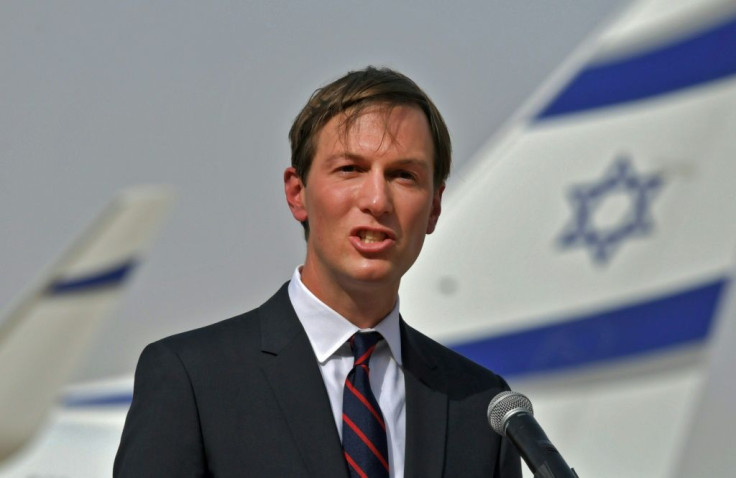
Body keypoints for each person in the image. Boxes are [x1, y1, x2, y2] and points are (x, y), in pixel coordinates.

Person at [114, 66, 521, 477]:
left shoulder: (481, 405)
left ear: (434, 207)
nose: (377, 200)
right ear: (297, 193)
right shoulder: (194, 379)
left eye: (403, 175)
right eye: (350, 169)